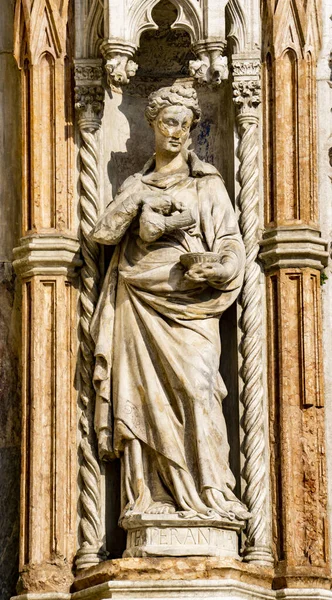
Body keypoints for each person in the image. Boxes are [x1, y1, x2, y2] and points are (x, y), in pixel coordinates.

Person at [90, 85, 249, 521]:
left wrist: (221, 269)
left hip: (193, 302)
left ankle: (211, 493)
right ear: (153, 126)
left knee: (200, 389)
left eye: (185, 124)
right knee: (139, 400)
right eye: (168, 123)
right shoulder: (135, 184)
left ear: (193, 128)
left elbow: (232, 244)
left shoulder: (208, 184)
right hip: (139, 302)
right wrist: (139, 197)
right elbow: (103, 234)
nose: (177, 132)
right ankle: (147, 499)